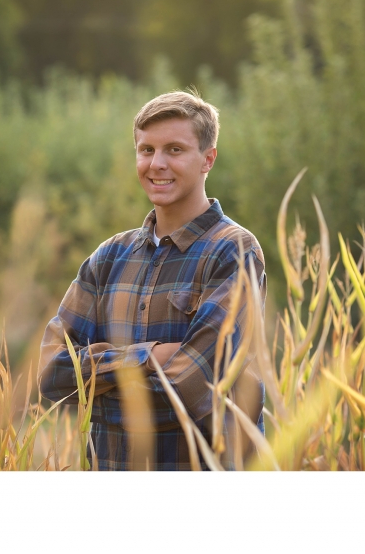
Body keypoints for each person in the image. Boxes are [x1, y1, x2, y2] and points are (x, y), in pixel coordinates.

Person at [38, 90, 267, 470]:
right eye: (146, 150)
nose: (156, 163)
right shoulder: (110, 256)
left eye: (174, 150)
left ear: (208, 159)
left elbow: (193, 383)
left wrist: (98, 384)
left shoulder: (233, 251)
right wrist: (155, 355)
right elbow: (49, 371)